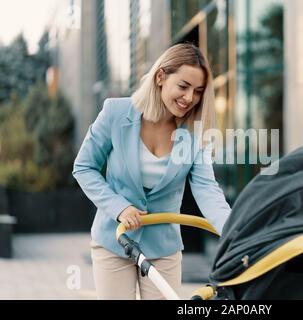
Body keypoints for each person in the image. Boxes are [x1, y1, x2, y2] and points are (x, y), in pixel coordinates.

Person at [72, 43, 231, 300]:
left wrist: (234, 230)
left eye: (198, 91)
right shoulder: (116, 112)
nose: (190, 97)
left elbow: (207, 190)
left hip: (163, 249)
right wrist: (119, 207)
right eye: (183, 86)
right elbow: (84, 167)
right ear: (160, 77)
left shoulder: (195, 133)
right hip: (113, 242)